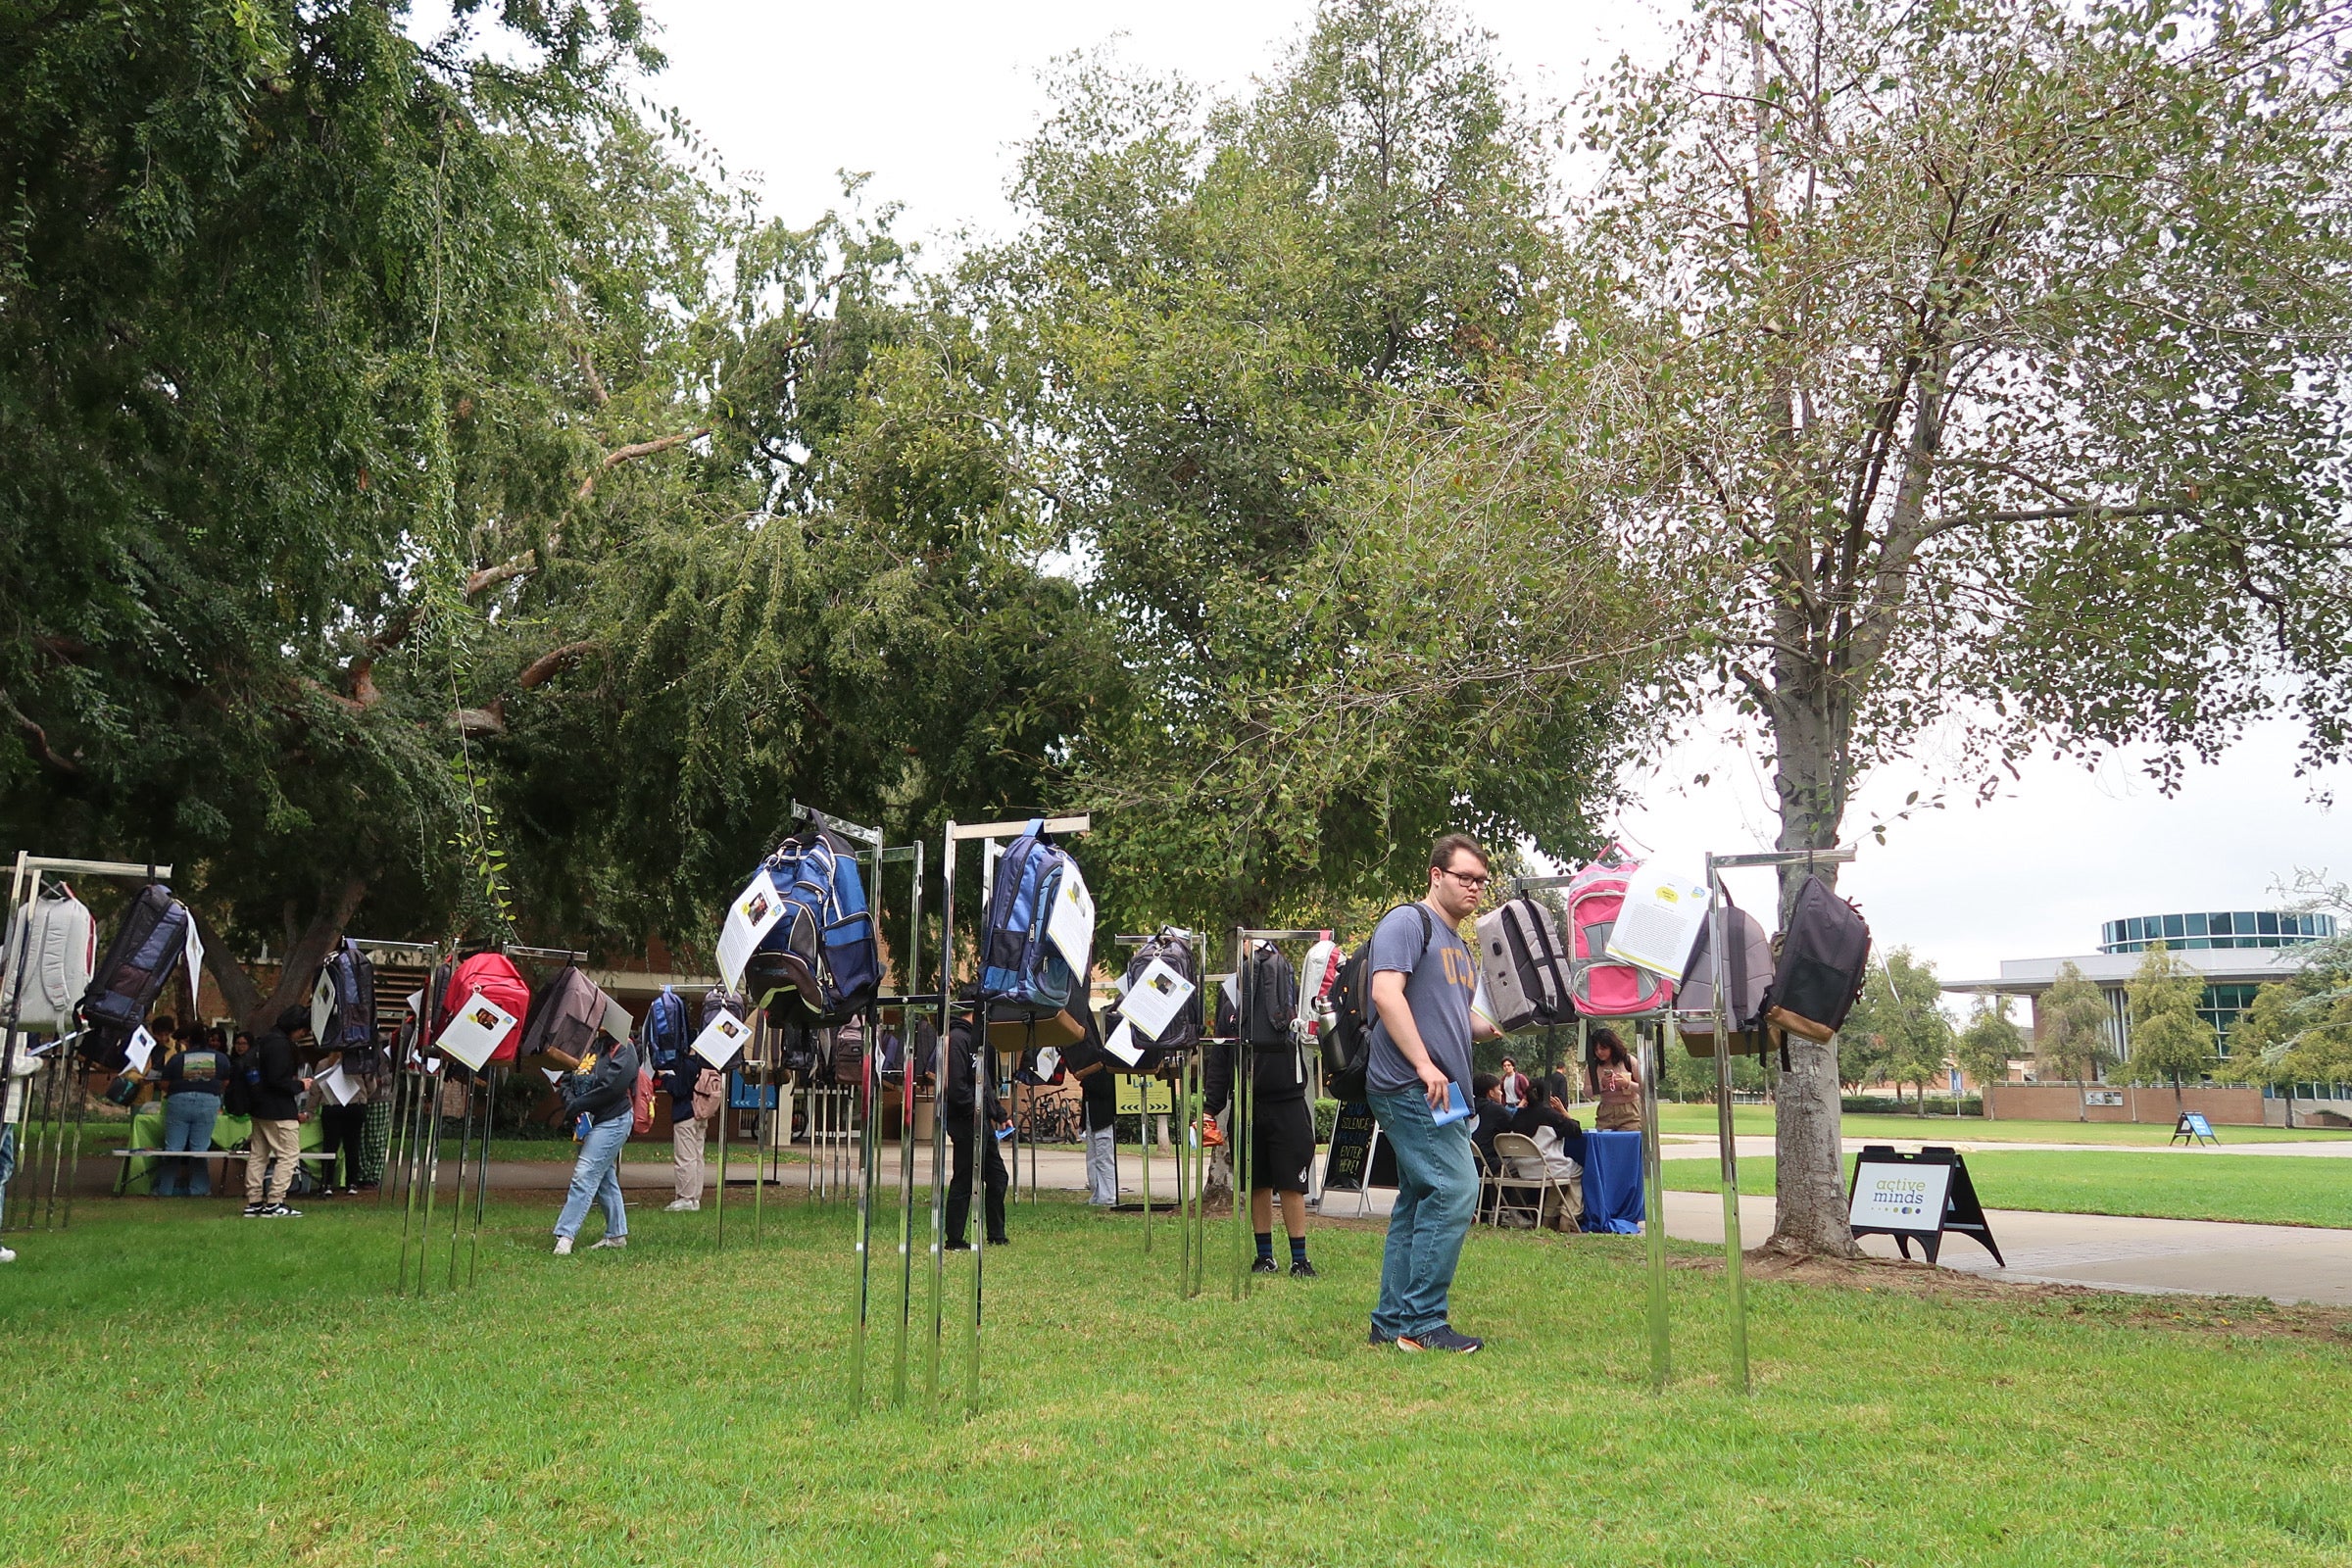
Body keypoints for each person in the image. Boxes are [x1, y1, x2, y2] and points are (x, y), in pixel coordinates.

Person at [1364, 832, 1504, 1353]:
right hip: (1411, 1083)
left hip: (1443, 1090)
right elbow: (1385, 993)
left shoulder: (1459, 947)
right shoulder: (1408, 922)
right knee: (1455, 1189)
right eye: (1464, 877)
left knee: (1420, 1197)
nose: (1474, 888)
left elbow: (1459, 1018)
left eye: (1480, 881)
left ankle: (1389, 1321)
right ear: (1436, 875)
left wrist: (1501, 1023)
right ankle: (1421, 1323)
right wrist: (1424, 1064)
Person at [1205, 969, 1319, 1279]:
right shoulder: (1231, 991)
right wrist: (1210, 1107)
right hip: (1246, 1101)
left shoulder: (1289, 987)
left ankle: (1300, 1259)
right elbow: (1221, 1052)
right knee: (1257, 1181)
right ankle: (1264, 1256)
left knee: (1292, 1182)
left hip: (1288, 1099)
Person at [547, 1030, 640, 1254]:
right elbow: (566, 1080)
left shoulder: (624, 1049)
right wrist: (574, 1106)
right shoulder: (587, 1046)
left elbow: (612, 1087)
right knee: (604, 1176)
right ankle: (616, 1235)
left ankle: (565, 1235)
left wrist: (579, 1106)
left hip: (613, 1119)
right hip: (587, 1119)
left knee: (585, 1174)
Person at [932, 1014, 1008, 1250]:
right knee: (964, 1178)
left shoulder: (976, 1040)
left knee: (997, 1177)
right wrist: (973, 1108)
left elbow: (983, 1082)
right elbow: (955, 1085)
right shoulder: (957, 1038)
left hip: (982, 1121)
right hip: (965, 1121)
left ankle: (996, 1234)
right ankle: (954, 1238)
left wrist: (997, 1112)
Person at [243, 1008, 314, 1218]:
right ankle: (275, 1201)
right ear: (296, 1027)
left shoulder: (264, 1041)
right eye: (303, 1030)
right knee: (289, 1155)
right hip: (280, 1110)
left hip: (259, 1108)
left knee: (258, 1155)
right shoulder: (281, 1045)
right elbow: (277, 1080)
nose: (304, 1034)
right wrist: (300, 1084)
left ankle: (254, 1201)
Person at [156, 1026, 231, 1197]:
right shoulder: (220, 1058)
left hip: (179, 1101)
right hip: (208, 1101)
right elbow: (225, 1082)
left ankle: (165, 1188)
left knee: (173, 1147)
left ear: (188, 1041)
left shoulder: (177, 1058)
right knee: (200, 1148)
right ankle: (199, 1189)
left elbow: (165, 1084)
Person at [661, 1025, 721, 1213]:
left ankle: (685, 1198)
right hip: (702, 1113)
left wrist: (665, 1078)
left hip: (686, 1113)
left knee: (685, 1157)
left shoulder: (688, 1063)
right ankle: (695, 1198)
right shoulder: (709, 1063)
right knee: (697, 1156)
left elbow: (678, 1089)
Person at [1065, 1003, 1119, 1207]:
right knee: (1095, 1154)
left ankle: (1107, 1195)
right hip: (1094, 1114)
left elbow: (1101, 1089)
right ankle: (1098, 1192)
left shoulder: (1102, 1069)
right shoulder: (1096, 1065)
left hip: (1102, 1116)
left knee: (1103, 1155)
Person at [1589, 1028, 1642, 1133]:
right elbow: (1587, 1091)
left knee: (1628, 1142)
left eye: (1603, 1048)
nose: (1599, 1052)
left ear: (1612, 1047)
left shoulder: (1628, 1061)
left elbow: (1645, 1088)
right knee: (1605, 1143)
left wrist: (1627, 1084)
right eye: (1596, 1049)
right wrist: (1601, 1085)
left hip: (1629, 1112)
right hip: (1606, 1113)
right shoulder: (1593, 1066)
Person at [1469, 1072, 1514, 1167]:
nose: (1501, 1093)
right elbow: (1517, 1129)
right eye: (1499, 1089)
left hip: (1469, 1163)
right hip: (1490, 1164)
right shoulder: (1496, 1110)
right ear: (1491, 1093)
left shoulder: (1467, 1108)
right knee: (1524, 1164)